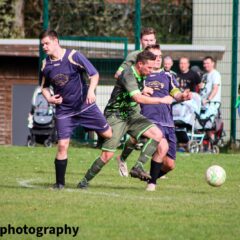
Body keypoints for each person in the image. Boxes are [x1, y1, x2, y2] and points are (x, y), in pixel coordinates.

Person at [78, 51, 173, 189]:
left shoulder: (142, 74)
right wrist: (161, 100)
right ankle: (84, 182)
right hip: (116, 116)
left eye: (153, 68)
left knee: (157, 135)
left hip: (132, 114)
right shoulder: (128, 75)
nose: (151, 71)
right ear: (140, 64)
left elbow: (138, 94)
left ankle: (138, 167)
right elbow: (138, 98)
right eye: (149, 68)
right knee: (107, 155)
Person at [39, 29, 112, 189]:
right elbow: (43, 87)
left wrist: (91, 91)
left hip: (85, 107)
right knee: (63, 145)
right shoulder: (46, 64)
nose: (44, 47)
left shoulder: (73, 56)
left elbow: (94, 74)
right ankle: (59, 184)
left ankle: (96, 136)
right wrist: (49, 98)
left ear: (56, 41)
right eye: (42, 44)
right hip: (64, 111)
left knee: (109, 135)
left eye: (47, 43)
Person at [116, 44, 192, 191]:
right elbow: (130, 90)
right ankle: (151, 184)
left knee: (170, 164)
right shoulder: (141, 75)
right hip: (149, 118)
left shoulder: (168, 76)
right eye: (154, 56)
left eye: (160, 56)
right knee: (161, 146)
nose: (158, 59)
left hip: (168, 123)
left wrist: (183, 96)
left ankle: (147, 175)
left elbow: (176, 93)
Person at [199, 56, 221, 144]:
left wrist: (208, 99)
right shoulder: (205, 75)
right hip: (203, 103)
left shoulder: (215, 74)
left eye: (207, 63)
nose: (205, 65)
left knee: (207, 122)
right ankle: (207, 144)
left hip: (211, 103)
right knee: (202, 123)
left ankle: (213, 142)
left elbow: (215, 88)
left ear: (213, 63)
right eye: (204, 63)